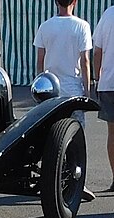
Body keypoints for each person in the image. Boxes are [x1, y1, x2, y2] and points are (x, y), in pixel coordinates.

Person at [33, 0, 96, 201]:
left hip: (51, 87)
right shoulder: (82, 26)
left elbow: (40, 60)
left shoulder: (45, 26)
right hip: (72, 87)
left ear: (55, 3)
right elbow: (84, 61)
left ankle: (50, 180)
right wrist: (87, 89)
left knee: (50, 136)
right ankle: (77, 182)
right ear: (75, 2)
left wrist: (41, 83)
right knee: (75, 138)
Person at [94, 5, 114, 191]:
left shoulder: (108, 14)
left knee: (112, 134)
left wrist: (96, 77)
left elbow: (97, 50)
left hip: (109, 83)